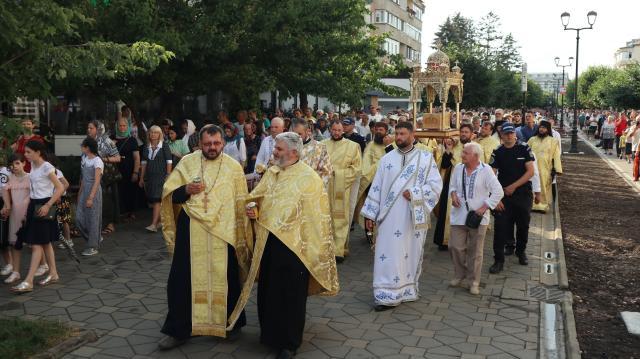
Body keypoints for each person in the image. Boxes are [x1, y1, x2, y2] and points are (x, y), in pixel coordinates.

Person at [233, 132, 339, 359]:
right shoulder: (272, 173)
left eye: (279, 149)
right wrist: (253, 208)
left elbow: (316, 217)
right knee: (269, 290)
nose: (274, 152)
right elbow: (258, 198)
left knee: (291, 295)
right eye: (275, 148)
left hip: (295, 248)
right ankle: (270, 335)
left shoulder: (309, 178)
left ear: (293, 152)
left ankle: (289, 343)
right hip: (268, 243)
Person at [157, 125, 251, 350]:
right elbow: (170, 195)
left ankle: (231, 324)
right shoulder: (188, 162)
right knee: (181, 279)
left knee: (226, 276)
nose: (212, 148)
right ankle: (178, 330)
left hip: (223, 231)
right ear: (200, 143)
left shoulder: (233, 167)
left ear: (223, 143)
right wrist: (186, 189)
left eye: (217, 143)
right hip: (192, 230)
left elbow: (241, 201)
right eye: (208, 144)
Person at [361, 121, 443, 311]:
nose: (398, 137)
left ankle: (406, 290)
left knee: (408, 253)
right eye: (397, 134)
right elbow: (377, 187)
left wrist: (415, 193)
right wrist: (370, 215)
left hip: (412, 216)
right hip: (389, 217)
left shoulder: (425, 158)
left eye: (403, 134)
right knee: (386, 253)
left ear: (412, 135)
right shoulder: (387, 159)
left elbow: (435, 186)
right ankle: (385, 295)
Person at [448, 143, 504, 295]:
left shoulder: (485, 170)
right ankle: (460, 274)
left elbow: (498, 192)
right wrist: (453, 195)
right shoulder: (459, 168)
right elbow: (452, 186)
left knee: (475, 251)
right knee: (455, 247)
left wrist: (484, 208)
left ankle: (474, 281)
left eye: (465, 153)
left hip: (478, 218)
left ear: (475, 156)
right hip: (459, 215)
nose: (462, 155)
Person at [11, 140, 65, 293]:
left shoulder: (47, 166)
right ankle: (53, 273)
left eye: (28, 152)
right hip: (34, 205)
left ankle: (28, 281)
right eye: (25, 152)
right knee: (45, 242)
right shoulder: (33, 166)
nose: (26, 155)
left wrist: (48, 205)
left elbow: (60, 187)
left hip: (43, 206)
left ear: (38, 152)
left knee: (36, 244)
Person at [489, 122, 535, 273]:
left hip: (522, 193)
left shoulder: (524, 148)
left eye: (511, 133)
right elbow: (491, 174)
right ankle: (498, 260)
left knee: (523, 225)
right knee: (501, 227)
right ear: (501, 136)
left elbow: (530, 172)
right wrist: (496, 196)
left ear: (515, 134)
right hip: (503, 195)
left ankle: (521, 251)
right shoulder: (498, 151)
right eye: (506, 134)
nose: (509, 136)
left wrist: (514, 186)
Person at [323, 120, 362, 262]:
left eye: (339, 130)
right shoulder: (322, 145)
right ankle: (325, 249)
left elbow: (357, 168)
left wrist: (338, 174)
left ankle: (339, 250)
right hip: (324, 188)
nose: (337, 133)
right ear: (330, 129)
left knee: (340, 218)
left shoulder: (353, 146)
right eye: (334, 130)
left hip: (341, 188)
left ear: (343, 131)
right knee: (325, 217)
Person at [433, 124, 472, 251]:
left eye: (466, 132)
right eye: (462, 132)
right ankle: (444, 241)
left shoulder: (475, 148)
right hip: (452, 183)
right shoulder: (453, 146)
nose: (464, 134)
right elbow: (444, 165)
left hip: (468, 183)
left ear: (471, 134)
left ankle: (463, 242)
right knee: (447, 211)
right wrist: (448, 150)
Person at [355, 122, 393, 224]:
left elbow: (394, 162)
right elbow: (365, 164)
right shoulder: (371, 145)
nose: (378, 132)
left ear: (386, 131)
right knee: (371, 208)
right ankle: (370, 235)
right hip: (371, 182)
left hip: (387, 182)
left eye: (381, 130)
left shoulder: (392, 145)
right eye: (377, 130)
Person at [87, 120, 121, 236]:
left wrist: (104, 159)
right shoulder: (89, 141)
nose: (89, 130)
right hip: (92, 174)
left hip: (106, 176)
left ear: (98, 129)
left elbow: (118, 158)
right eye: (88, 128)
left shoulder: (107, 141)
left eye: (91, 128)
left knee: (107, 199)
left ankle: (110, 224)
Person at [1, 154, 30, 284]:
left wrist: (26, 207)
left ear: (24, 163)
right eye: (12, 165)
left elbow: (33, 194)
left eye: (18, 163)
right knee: (15, 244)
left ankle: (43, 265)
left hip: (26, 215)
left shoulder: (30, 177)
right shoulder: (10, 178)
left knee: (35, 244)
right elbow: (4, 190)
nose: (15, 167)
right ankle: (16, 272)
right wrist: (7, 206)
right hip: (14, 215)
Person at [139, 126, 173, 232]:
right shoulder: (146, 146)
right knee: (154, 199)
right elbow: (143, 163)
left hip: (161, 176)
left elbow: (169, 162)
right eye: (151, 132)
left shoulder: (164, 146)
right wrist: (141, 178)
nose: (153, 134)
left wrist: (168, 175)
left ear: (160, 134)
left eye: (156, 133)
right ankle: (159, 222)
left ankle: (153, 225)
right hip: (150, 176)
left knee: (157, 199)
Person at [76, 137, 104, 256]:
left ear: (87, 148)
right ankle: (95, 238)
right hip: (85, 190)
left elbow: (97, 181)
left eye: (82, 146)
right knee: (79, 218)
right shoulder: (84, 158)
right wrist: (80, 193)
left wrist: (91, 197)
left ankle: (93, 246)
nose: (81, 148)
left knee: (93, 218)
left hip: (94, 190)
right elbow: (83, 178)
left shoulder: (97, 161)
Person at [528, 120, 563, 213]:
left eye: (544, 128)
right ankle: (531, 205)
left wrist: (556, 169)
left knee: (544, 187)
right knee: (532, 186)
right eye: (540, 127)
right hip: (532, 168)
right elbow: (525, 152)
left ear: (548, 129)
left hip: (546, 169)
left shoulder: (553, 141)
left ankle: (543, 206)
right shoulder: (532, 140)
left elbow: (556, 155)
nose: (541, 129)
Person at [291, 119, 333, 189]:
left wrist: (312, 186)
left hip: (310, 189)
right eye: (293, 134)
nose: (296, 137)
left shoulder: (320, 147)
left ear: (307, 131)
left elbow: (327, 171)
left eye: (299, 134)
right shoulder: (286, 146)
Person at [115, 118, 141, 222]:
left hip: (129, 169)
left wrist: (135, 172)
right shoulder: (113, 139)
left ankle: (131, 213)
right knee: (119, 191)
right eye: (120, 126)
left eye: (124, 126)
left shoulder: (132, 140)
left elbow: (137, 158)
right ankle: (120, 212)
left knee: (130, 191)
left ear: (128, 127)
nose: (122, 128)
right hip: (117, 170)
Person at [0, 161, 12, 279]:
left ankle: (10, 264)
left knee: (4, 236)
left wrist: (6, 205)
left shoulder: (6, 171)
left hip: (4, 203)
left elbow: (8, 190)